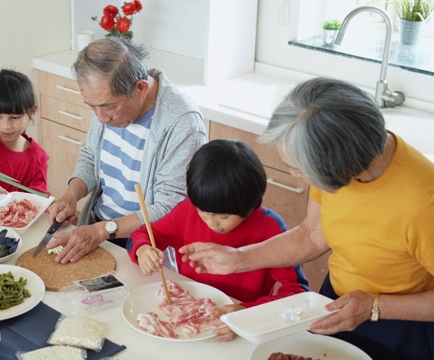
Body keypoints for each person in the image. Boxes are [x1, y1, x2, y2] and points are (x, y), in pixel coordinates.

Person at [179, 77, 434, 359]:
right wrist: (238, 258)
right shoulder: (343, 161)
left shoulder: (423, 203)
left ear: (337, 165)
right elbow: (312, 234)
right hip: (336, 299)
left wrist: (375, 306)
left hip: (401, 325)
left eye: (299, 169)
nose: (296, 176)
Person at [46, 37, 207, 264]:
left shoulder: (182, 122)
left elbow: (170, 207)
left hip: (146, 249)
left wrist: (103, 231)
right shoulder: (104, 99)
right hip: (99, 229)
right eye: (92, 107)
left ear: (140, 88)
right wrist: (71, 195)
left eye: (108, 107)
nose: (100, 118)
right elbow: (91, 157)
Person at [129, 139, 309, 341]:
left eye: (223, 217)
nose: (211, 223)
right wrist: (143, 249)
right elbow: (146, 234)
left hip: (238, 328)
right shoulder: (188, 211)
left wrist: (246, 313)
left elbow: (298, 294)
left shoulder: (270, 228)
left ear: (252, 203)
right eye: (203, 212)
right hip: (185, 320)